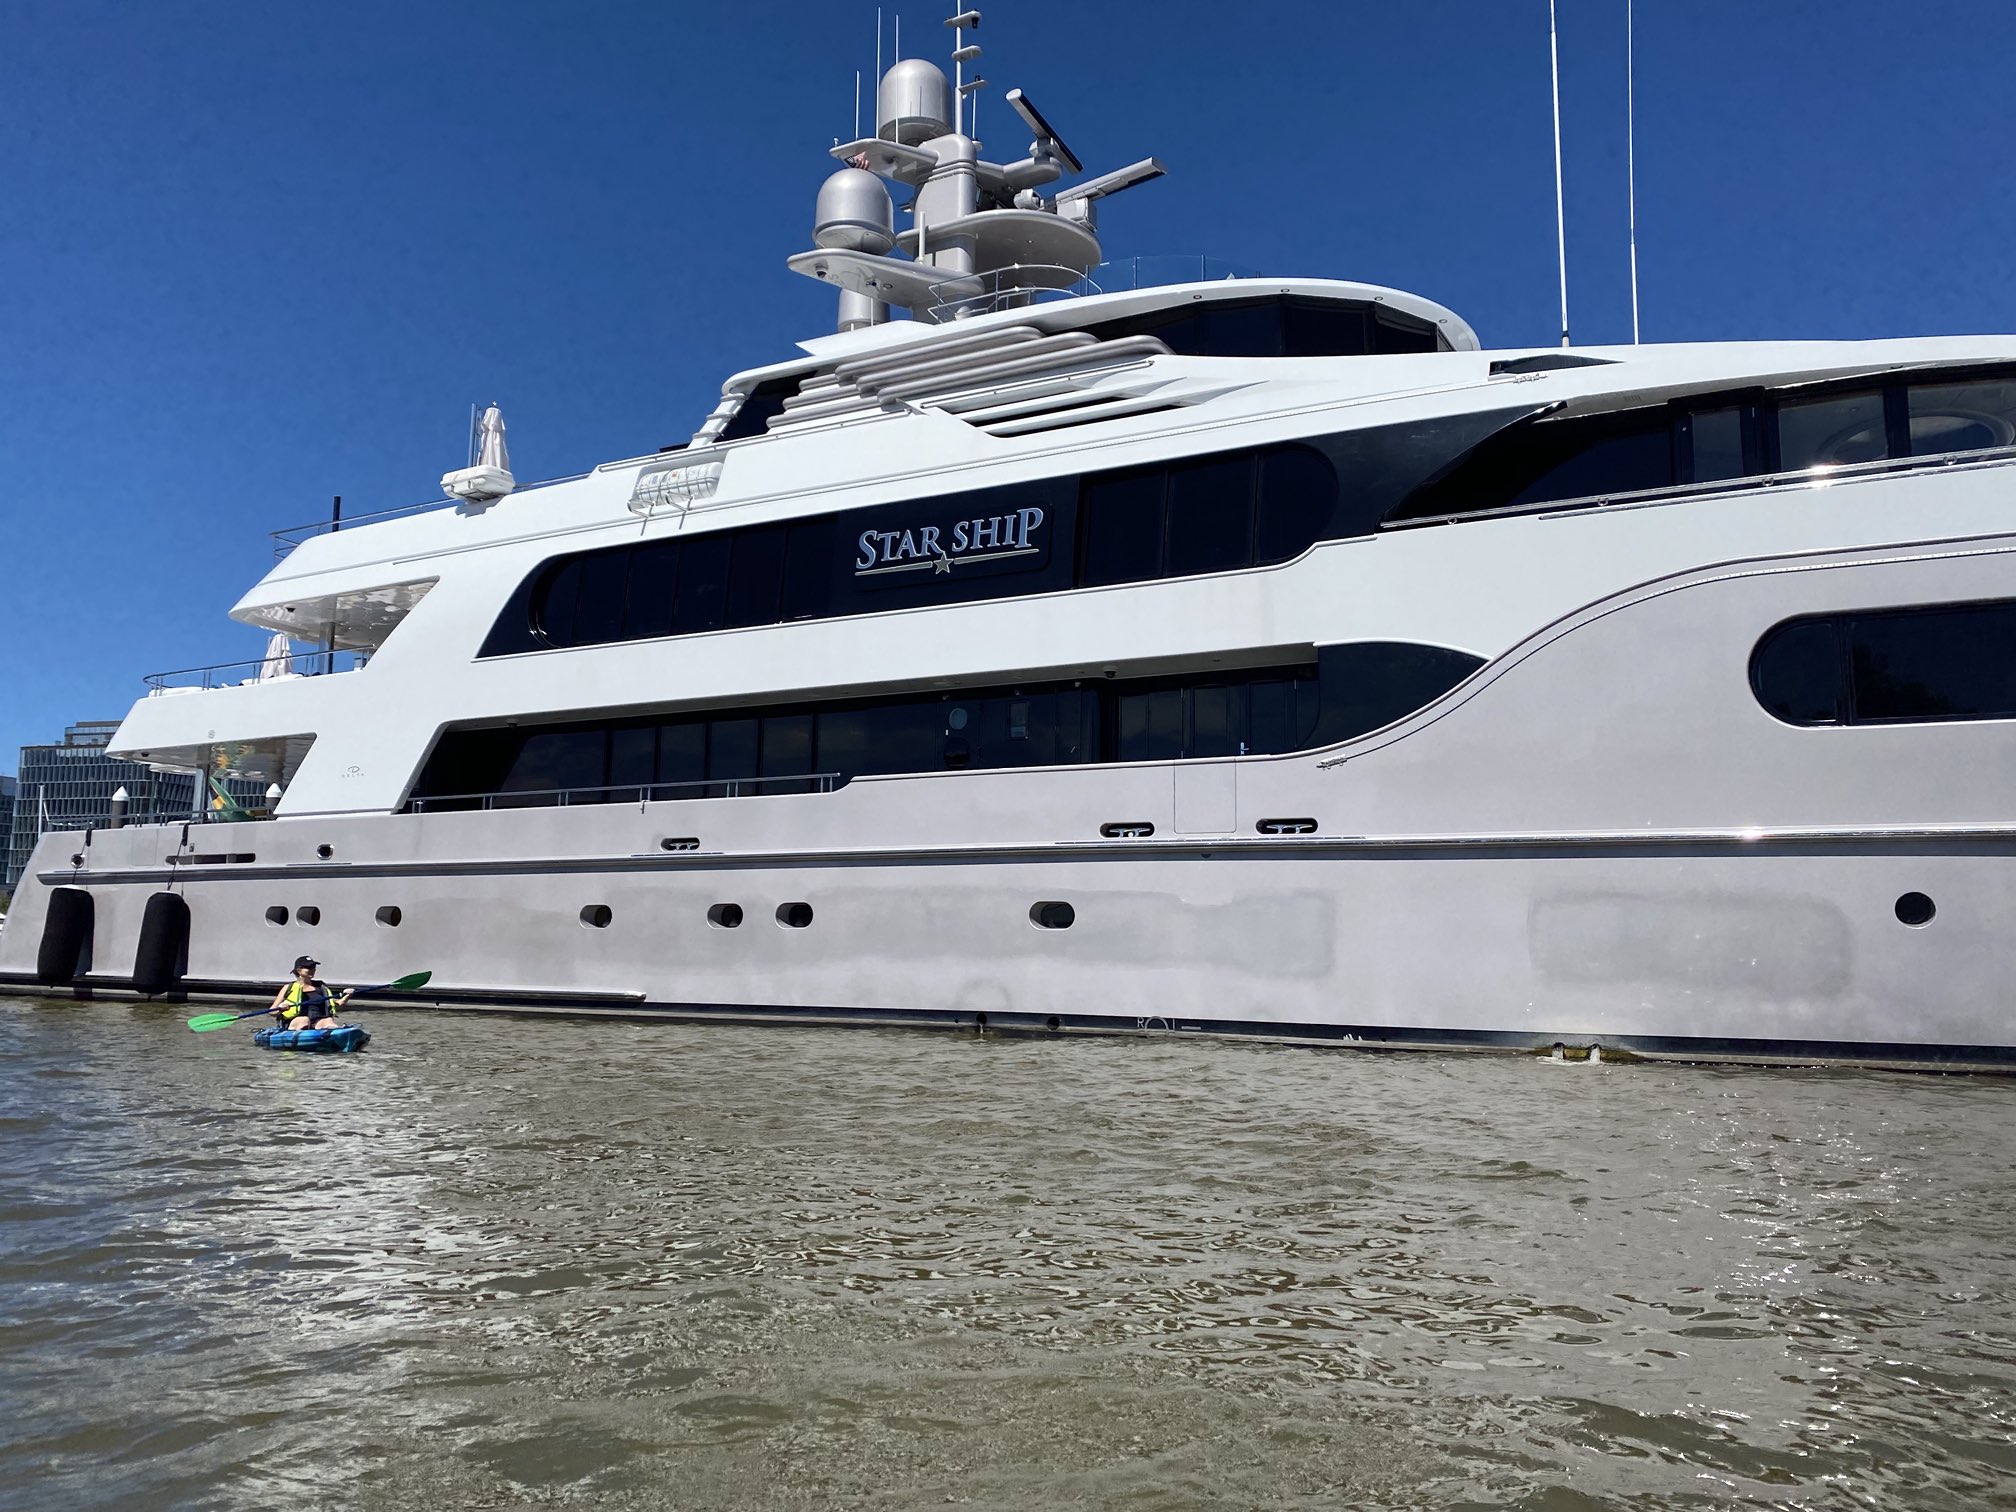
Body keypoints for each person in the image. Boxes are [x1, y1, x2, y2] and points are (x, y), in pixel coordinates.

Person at [269, 956, 352, 1030]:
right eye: (309, 967)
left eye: (313, 967)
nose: (312, 970)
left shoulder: (320, 987)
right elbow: (272, 1012)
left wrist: (347, 995)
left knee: (328, 1021)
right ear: (298, 970)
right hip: (297, 1021)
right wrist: (280, 1009)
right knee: (304, 1020)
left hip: (318, 1021)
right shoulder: (288, 988)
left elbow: (338, 1003)